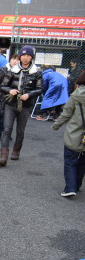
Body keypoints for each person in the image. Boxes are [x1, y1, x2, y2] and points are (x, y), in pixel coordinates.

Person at [0, 45, 42, 166]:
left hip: (25, 105)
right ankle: (3, 156)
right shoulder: (12, 70)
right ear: (20, 56)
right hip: (10, 104)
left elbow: (40, 89)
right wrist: (10, 91)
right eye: (24, 55)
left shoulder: (37, 72)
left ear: (32, 57)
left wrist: (29, 94)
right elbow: (3, 86)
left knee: (20, 131)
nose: (26, 58)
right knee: (7, 130)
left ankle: (16, 151)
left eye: (28, 56)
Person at [51, 70, 85, 198]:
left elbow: (66, 113)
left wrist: (56, 126)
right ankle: (77, 184)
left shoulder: (76, 95)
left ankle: (70, 188)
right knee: (83, 162)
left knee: (70, 160)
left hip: (74, 132)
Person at [0, 54, 20, 139]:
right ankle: (0, 131)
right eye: (14, 59)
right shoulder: (4, 70)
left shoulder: (20, 71)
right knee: (1, 114)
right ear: (10, 60)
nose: (15, 61)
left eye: (17, 60)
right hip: (2, 95)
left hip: (14, 96)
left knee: (11, 116)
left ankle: (7, 133)